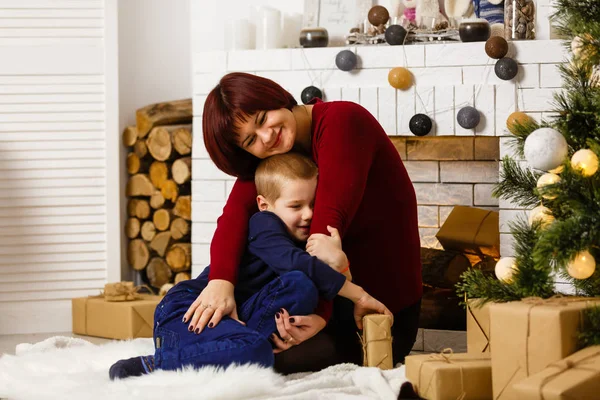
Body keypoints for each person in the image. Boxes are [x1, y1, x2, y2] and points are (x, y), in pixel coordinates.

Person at [194, 72, 423, 373]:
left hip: (374, 313)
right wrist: (220, 283)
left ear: (277, 97)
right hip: (322, 296)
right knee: (227, 334)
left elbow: (324, 237)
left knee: (246, 360)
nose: (266, 136)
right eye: (251, 139)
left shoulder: (343, 121)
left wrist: (320, 315)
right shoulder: (276, 155)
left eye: (263, 118)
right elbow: (234, 217)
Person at [108, 153, 392, 379]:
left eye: (314, 204)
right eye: (296, 206)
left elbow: (307, 279)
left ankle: (235, 348)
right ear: (264, 205)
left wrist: (339, 262)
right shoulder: (263, 226)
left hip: (238, 318)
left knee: (301, 286)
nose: (308, 215)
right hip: (188, 313)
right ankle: (156, 363)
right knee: (257, 351)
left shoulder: (301, 243)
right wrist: (359, 294)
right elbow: (295, 262)